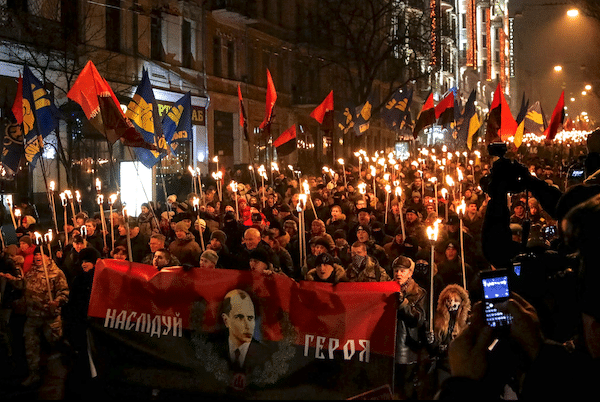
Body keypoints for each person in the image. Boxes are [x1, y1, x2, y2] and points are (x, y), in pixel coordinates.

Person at [9, 246, 69, 387]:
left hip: (50, 317)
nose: (37, 257)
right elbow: (24, 287)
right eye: (36, 255)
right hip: (33, 316)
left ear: (48, 257)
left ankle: (60, 377)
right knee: (31, 347)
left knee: (56, 347)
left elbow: (64, 293)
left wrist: (57, 301)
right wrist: (12, 279)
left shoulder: (56, 273)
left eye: (40, 255)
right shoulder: (31, 272)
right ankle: (34, 374)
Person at [392, 255, 428, 400]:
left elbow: (418, 319)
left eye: (402, 270)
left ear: (410, 273)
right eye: (396, 270)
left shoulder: (419, 293)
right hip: (388, 346)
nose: (398, 274)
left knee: (405, 388)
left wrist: (403, 303)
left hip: (406, 347)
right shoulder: (387, 289)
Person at [217, 289, 270, 374]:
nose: (246, 325)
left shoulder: (263, 356)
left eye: (250, 318)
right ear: (226, 320)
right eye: (240, 317)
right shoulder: (213, 350)